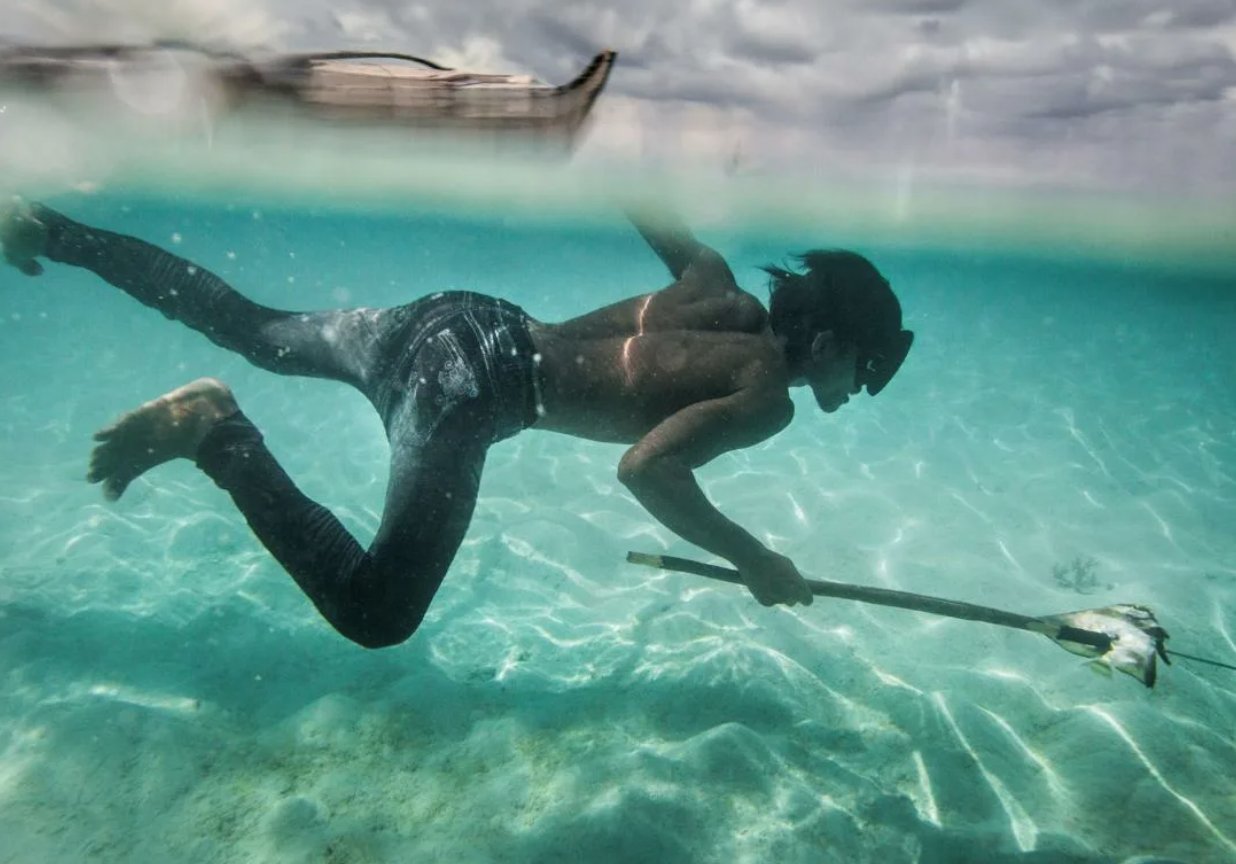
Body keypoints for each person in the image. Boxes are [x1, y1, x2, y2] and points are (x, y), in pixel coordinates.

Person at [0, 199, 912, 648]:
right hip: (472, 386)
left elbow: (636, 186)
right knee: (377, 613)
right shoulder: (767, 393)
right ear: (825, 338)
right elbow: (648, 471)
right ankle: (214, 432)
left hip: (458, 319)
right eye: (861, 369)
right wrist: (753, 558)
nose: (855, 391)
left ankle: (49, 230)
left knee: (255, 329)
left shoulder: (711, 276)